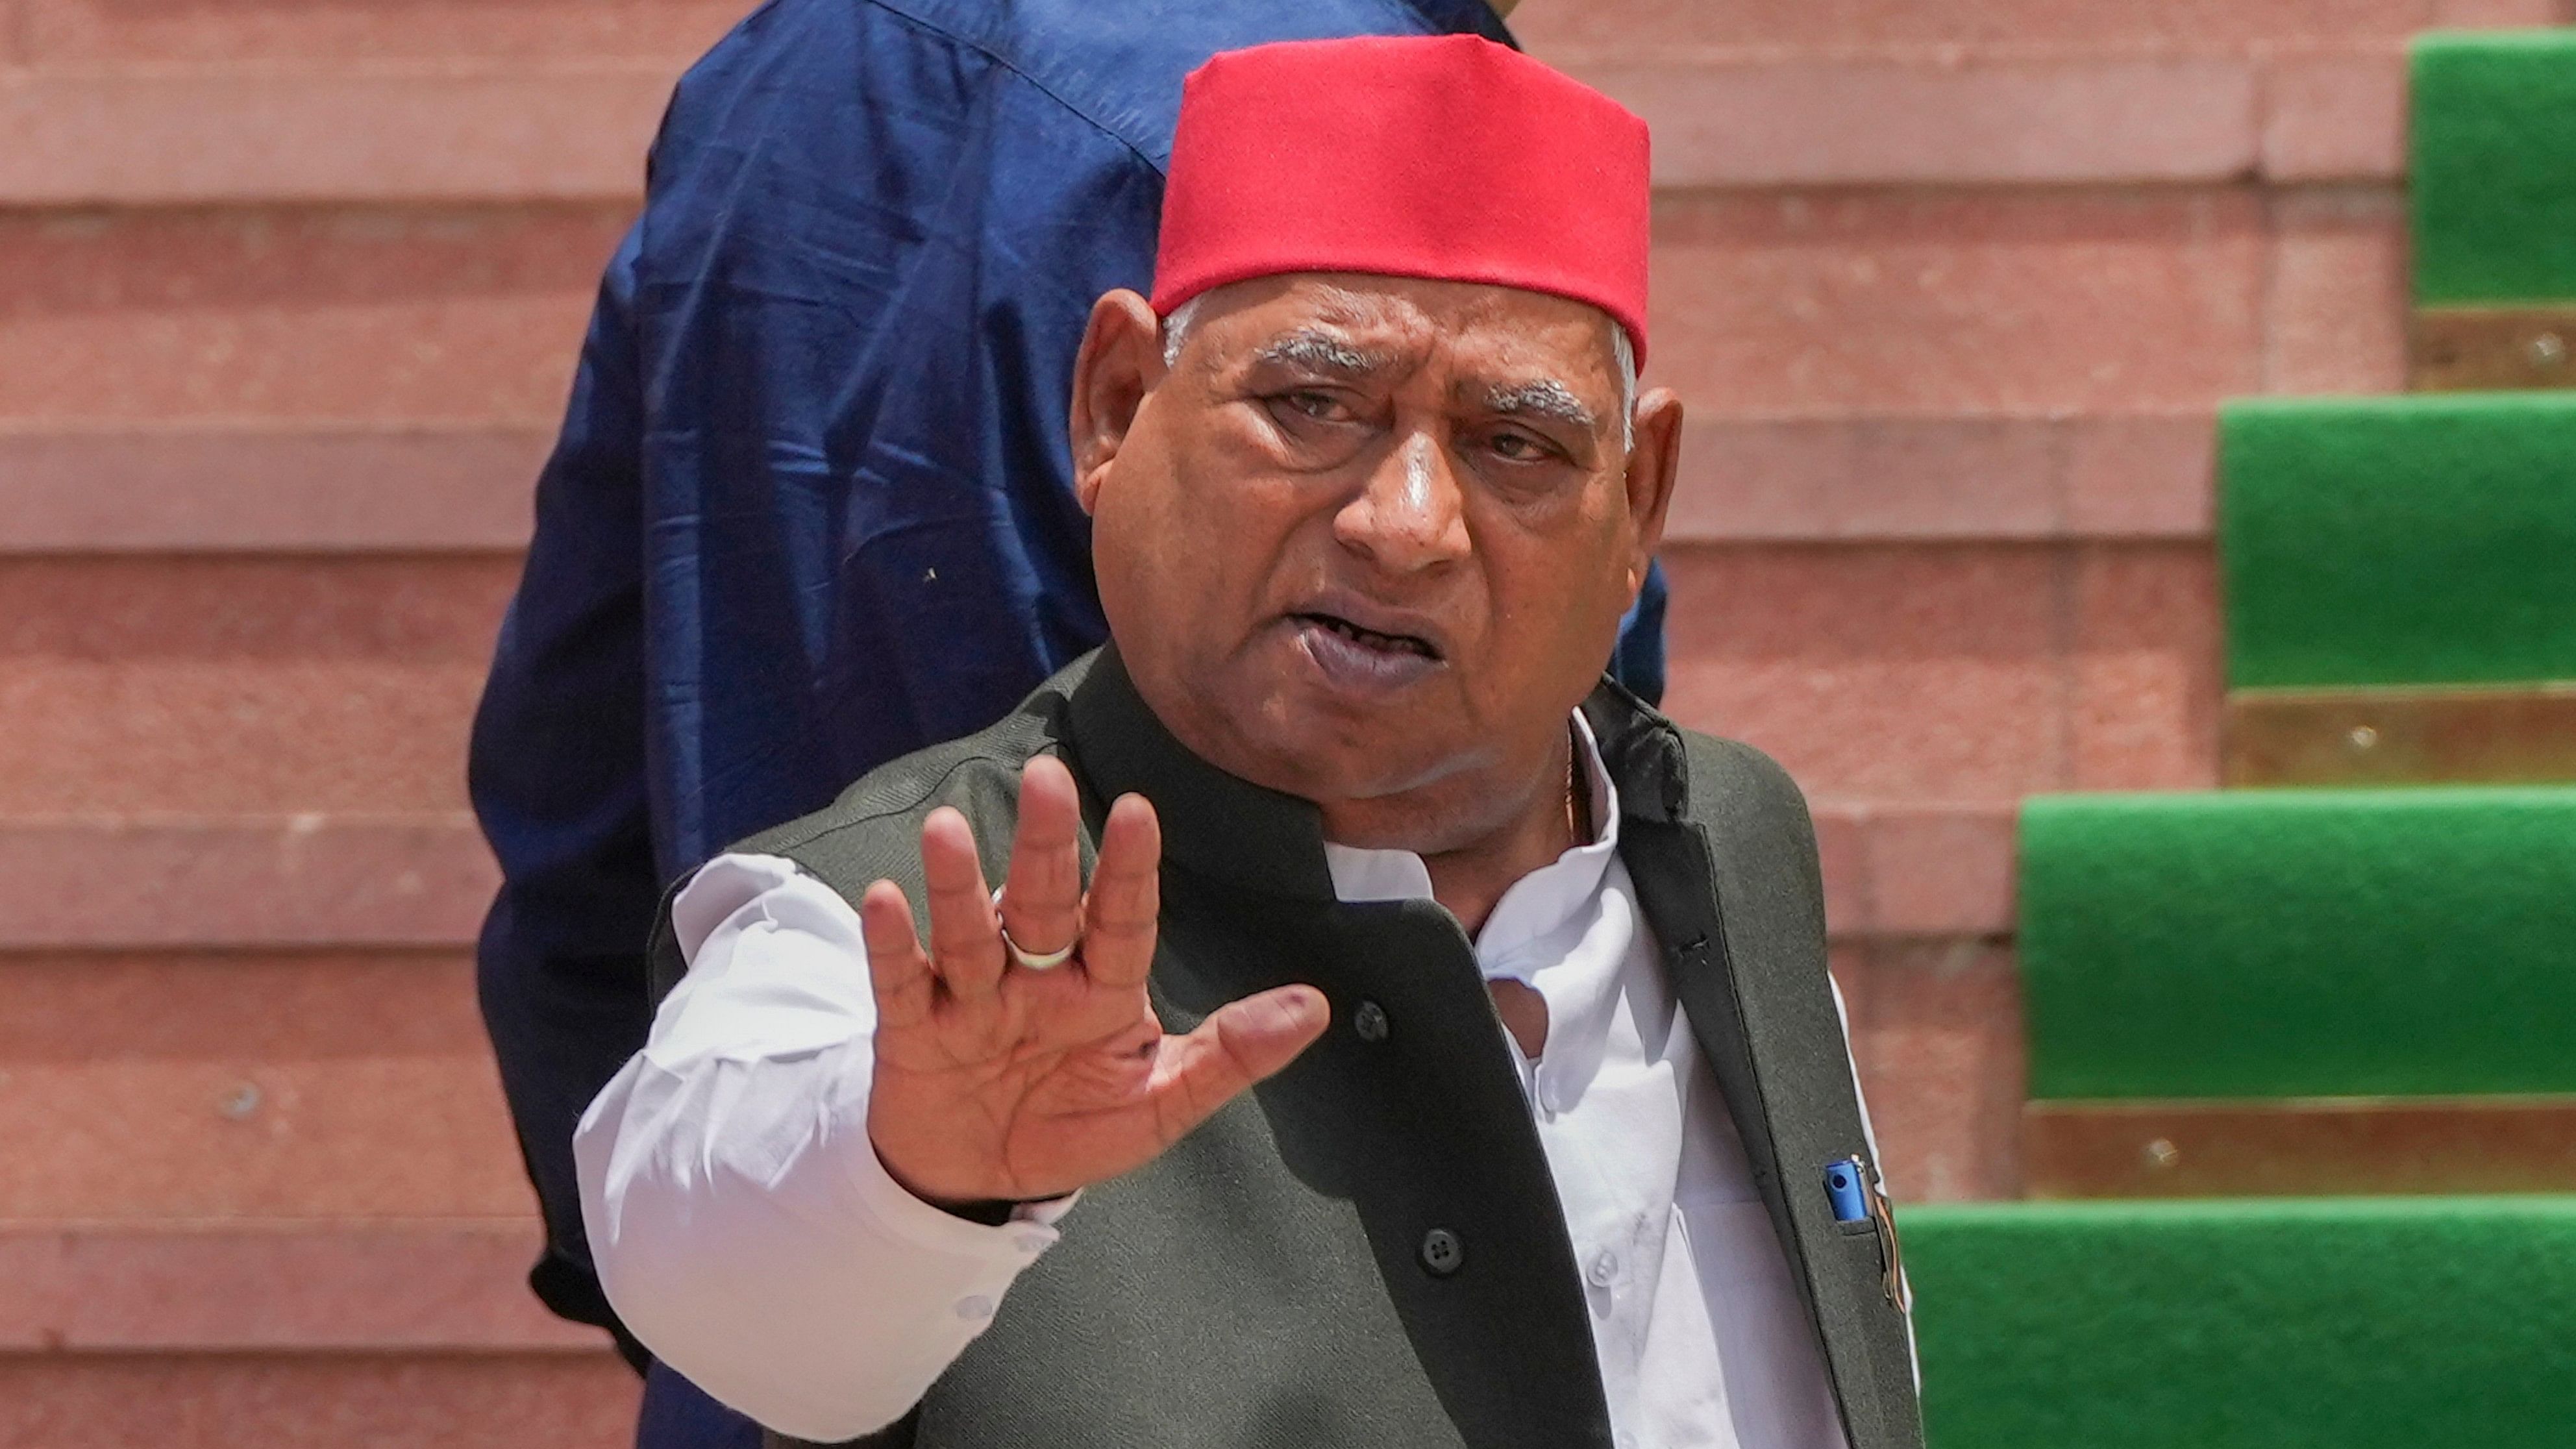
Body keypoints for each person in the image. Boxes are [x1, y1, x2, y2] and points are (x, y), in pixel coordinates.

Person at [575, 34, 1922, 1449]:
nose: (1404, 523)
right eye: (1312, 407)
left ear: (1640, 497)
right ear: (1111, 406)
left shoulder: (1718, 842)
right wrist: (914, 1180)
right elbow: (723, 1273)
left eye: (1513, 444)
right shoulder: (898, 923)